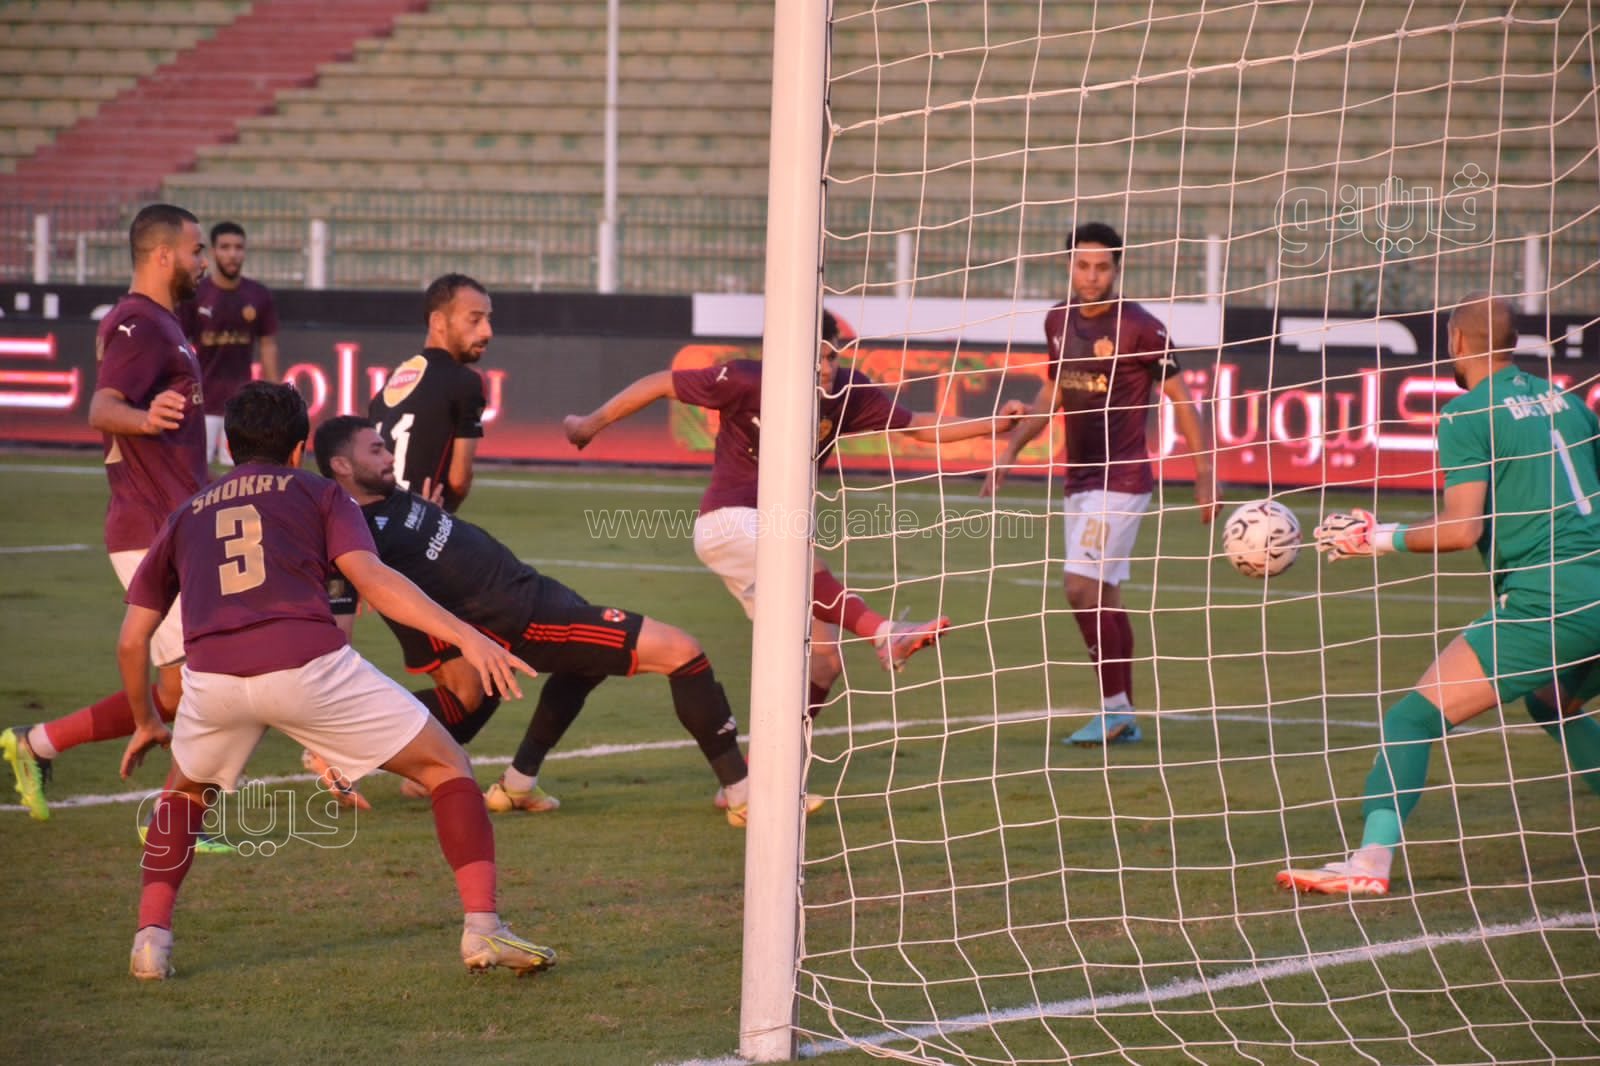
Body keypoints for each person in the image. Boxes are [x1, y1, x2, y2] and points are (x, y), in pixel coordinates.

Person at [120, 381, 553, 980]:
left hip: (213, 677)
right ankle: (483, 928)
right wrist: (467, 636)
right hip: (305, 663)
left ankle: (151, 940)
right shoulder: (321, 492)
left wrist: (145, 719)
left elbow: (131, 639)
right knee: (446, 766)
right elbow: (373, 581)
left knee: (185, 796)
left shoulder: (186, 513)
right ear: (299, 447)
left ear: (229, 445)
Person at [1278, 293, 1600, 896]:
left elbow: (1462, 529)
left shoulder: (1467, 414)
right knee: (1552, 700)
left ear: (1456, 343)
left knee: (1412, 719)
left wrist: (1377, 538)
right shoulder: (1571, 402)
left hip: (1550, 599)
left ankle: (1370, 862)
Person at [563, 311, 1028, 727]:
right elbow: (662, 382)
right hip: (729, 523)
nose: (827, 368)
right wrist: (589, 424)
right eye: (816, 358)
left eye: (832, 356)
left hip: (781, 531)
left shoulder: (846, 392)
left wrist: (996, 424)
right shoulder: (747, 379)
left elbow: (917, 425)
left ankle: (755, 780)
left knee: (823, 663)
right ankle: (885, 634)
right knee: (799, 558)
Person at [312, 415, 769, 827]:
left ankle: (518, 783)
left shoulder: (390, 498)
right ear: (342, 466)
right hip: (524, 622)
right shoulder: (354, 532)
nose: (389, 456)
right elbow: (344, 617)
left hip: (534, 591)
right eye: (376, 450)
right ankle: (741, 792)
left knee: (546, 676)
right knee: (682, 652)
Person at [3, 203, 211, 823]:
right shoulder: (139, 324)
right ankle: (177, 821)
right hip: (151, 527)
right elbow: (101, 407)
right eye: (196, 249)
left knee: (179, 689)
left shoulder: (163, 323)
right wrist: (144, 419)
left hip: (170, 523)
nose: (203, 261)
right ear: (164, 255)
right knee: (205, 679)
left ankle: (37, 744)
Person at [982, 221, 1215, 747]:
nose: (1091, 276)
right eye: (1083, 266)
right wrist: (1012, 449)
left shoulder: (1142, 328)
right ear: (1069, 266)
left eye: (1102, 267)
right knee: (1104, 593)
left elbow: (1182, 400)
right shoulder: (1057, 320)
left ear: (1117, 269)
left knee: (1079, 587)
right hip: (1080, 479)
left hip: (1123, 477)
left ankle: (1114, 710)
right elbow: (1051, 396)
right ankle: (1123, 714)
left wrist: (1205, 473)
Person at [368, 273, 491, 512]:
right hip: (415, 519)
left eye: (488, 319)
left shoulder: (393, 379)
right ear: (438, 322)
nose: (487, 331)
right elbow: (458, 481)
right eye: (475, 320)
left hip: (375, 518)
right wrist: (436, 519)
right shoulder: (466, 382)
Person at [179, 220, 280, 466]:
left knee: (239, 473)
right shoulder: (196, 293)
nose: (232, 254)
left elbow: (268, 344)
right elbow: (179, 344)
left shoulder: (258, 295)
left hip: (241, 406)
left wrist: (275, 394)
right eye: (225, 247)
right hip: (201, 402)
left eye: (238, 247)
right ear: (213, 251)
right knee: (194, 471)